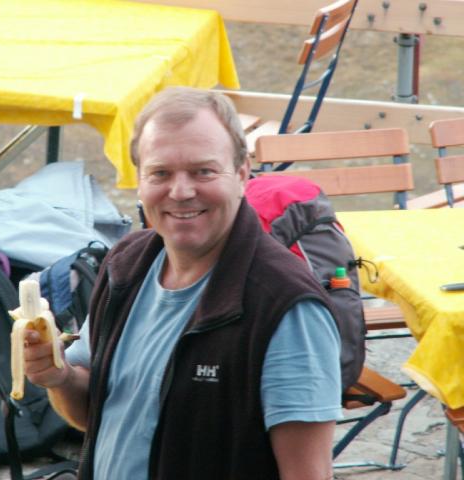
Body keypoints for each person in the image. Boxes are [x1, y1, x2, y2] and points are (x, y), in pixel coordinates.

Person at [23, 87, 342, 480]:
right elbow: (98, 414)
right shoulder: (126, 266)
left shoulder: (284, 307)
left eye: (203, 171)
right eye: (160, 173)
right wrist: (60, 377)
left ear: (242, 174)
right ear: (139, 181)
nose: (181, 191)